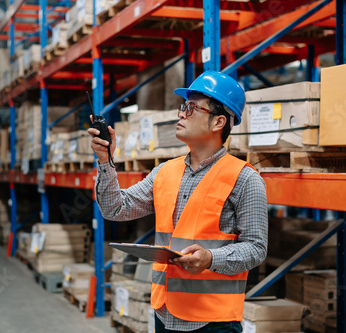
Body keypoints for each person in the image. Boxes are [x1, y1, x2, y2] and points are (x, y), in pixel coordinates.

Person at [88, 70, 268, 333]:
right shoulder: (164, 172)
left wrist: (210, 258)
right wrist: (106, 161)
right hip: (165, 313)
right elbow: (115, 208)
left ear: (218, 122)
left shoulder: (245, 179)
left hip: (213, 321)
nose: (181, 113)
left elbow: (256, 248)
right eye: (183, 106)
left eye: (191, 107)